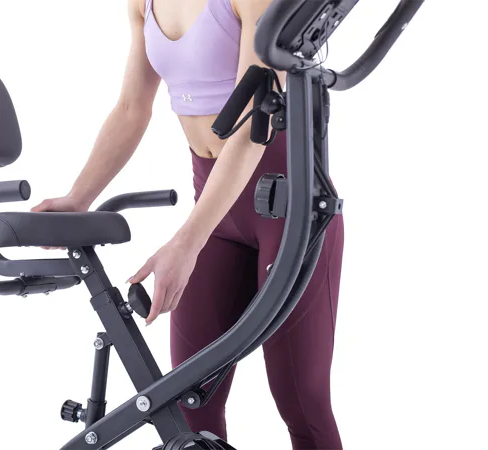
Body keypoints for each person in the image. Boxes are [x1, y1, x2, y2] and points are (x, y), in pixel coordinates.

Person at [33, 0, 345, 448]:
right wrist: (78, 199)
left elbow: (252, 128)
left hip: (290, 207)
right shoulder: (142, 4)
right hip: (214, 209)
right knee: (188, 403)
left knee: (301, 401)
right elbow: (131, 108)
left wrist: (185, 243)